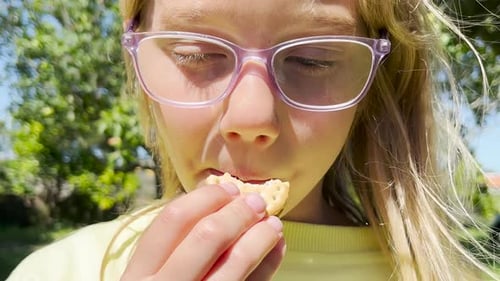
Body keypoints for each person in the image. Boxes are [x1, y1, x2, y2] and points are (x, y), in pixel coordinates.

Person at [7, 0, 499, 280]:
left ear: (374, 82)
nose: (251, 115)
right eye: (196, 54)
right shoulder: (59, 271)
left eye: (313, 59)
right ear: (135, 56)